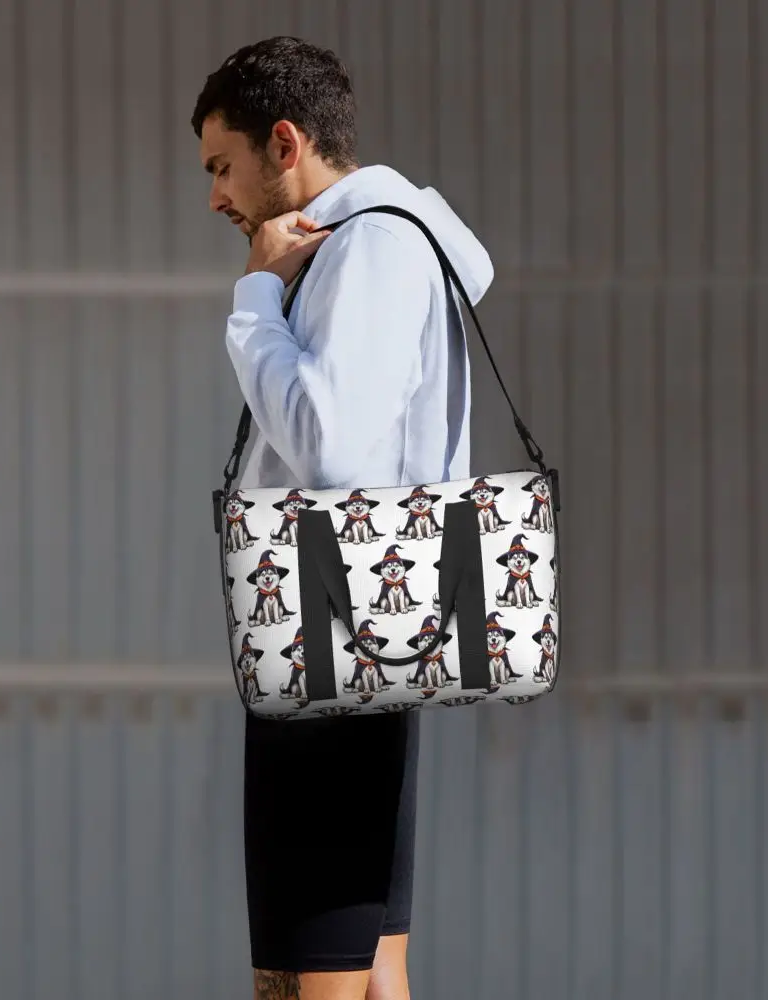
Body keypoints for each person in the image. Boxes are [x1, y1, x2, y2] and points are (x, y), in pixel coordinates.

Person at [192, 36, 494, 1000]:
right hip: (350, 636)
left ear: (285, 144)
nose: (216, 197)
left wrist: (255, 300)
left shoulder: (372, 247)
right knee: (367, 966)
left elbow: (332, 452)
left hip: (333, 630)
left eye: (222, 166)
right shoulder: (368, 247)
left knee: (307, 972)